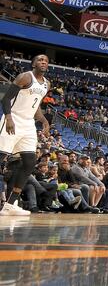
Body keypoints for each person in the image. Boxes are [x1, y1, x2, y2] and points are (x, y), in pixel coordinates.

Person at [0, 54, 51, 216]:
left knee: (30, 162)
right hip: (13, 118)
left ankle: (11, 203)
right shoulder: (25, 77)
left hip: (28, 123)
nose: (43, 62)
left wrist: (44, 121)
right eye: (40, 60)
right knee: (1, 158)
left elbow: (35, 106)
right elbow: (6, 99)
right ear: (34, 63)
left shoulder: (46, 84)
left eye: (46, 61)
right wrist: (8, 117)